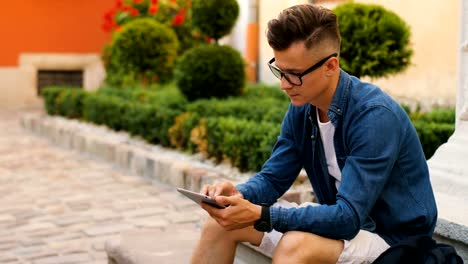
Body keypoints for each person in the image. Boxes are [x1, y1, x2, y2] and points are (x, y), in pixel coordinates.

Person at [191, 3, 438, 264]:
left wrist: (263, 215)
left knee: (297, 245)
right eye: (281, 71)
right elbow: (274, 179)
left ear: (331, 65)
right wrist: (238, 196)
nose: (284, 85)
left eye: (295, 75)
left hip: (394, 241)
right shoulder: (303, 107)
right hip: (344, 225)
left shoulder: (374, 117)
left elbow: (348, 218)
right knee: (219, 224)